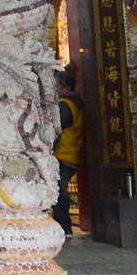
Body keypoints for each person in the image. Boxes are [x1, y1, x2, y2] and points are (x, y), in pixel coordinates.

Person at [53, 67, 85, 234]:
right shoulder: (73, 103)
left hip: (64, 154)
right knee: (59, 188)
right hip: (69, 154)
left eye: (56, 85)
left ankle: (64, 226)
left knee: (57, 189)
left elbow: (54, 127)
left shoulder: (65, 105)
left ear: (65, 87)